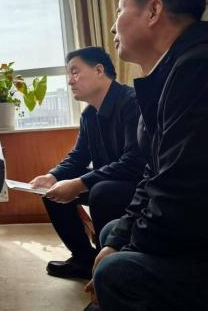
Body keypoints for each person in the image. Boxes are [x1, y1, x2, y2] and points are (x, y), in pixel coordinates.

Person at [85, 0, 208, 310]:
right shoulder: (172, 71)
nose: (113, 26)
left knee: (115, 272)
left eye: (120, 10)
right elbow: (154, 173)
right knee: (111, 234)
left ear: (153, 11)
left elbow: (180, 189)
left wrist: (127, 247)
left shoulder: (197, 70)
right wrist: (121, 238)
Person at [30, 47, 145, 280]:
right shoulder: (88, 115)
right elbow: (78, 156)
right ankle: (84, 259)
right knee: (52, 190)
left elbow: (134, 162)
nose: (70, 81)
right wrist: (53, 176)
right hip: (110, 178)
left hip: (140, 184)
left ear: (99, 70)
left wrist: (81, 183)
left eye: (75, 72)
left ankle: (106, 263)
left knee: (101, 191)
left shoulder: (132, 102)